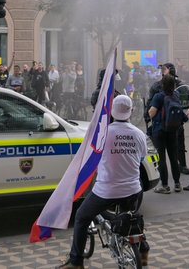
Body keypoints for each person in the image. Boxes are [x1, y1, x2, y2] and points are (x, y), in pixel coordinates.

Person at [56, 95, 149, 269]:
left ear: (112, 111)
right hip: (133, 190)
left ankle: (76, 262)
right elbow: (141, 156)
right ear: (131, 111)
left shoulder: (103, 133)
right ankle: (143, 252)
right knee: (131, 221)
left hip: (106, 192)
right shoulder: (138, 134)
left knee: (82, 217)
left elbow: (91, 156)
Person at [146, 63, 189, 175]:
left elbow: (185, 102)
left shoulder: (180, 86)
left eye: (164, 69)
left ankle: (183, 165)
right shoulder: (157, 86)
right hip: (162, 122)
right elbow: (150, 102)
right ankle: (173, 178)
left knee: (179, 145)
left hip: (174, 121)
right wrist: (146, 115)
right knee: (167, 151)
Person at [148, 74, 185, 193]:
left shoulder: (158, 96)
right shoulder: (176, 94)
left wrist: (150, 111)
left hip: (159, 130)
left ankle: (165, 186)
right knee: (174, 157)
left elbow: (151, 113)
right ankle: (177, 184)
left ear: (162, 84)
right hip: (173, 130)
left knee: (161, 158)